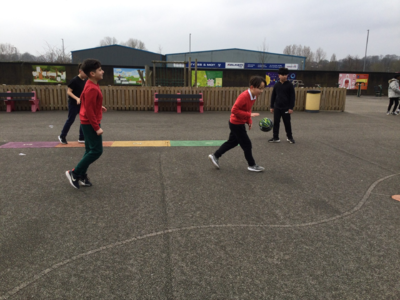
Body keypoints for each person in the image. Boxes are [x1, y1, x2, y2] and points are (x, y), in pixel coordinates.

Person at [208, 76, 266, 172]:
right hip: (236, 124)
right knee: (247, 144)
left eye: (263, 88)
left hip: (239, 123)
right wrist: (249, 115)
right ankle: (252, 165)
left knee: (233, 142)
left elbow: (248, 109)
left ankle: (215, 156)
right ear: (252, 87)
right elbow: (234, 110)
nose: (262, 91)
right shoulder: (244, 96)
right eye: (260, 88)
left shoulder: (254, 96)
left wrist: (249, 120)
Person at [65, 59, 107, 189]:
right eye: (100, 70)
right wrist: (97, 127)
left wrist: (99, 107)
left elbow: (86, 102)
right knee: (96, 151)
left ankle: (82, 175)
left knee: (90, 150)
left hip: (88, 121)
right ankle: (75, 173)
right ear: (92, 73)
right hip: (90, 123)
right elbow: (88, 110)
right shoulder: (91, 88)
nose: (102, 71)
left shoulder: (90, 84)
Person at [58, 64, 87, 144]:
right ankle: (62, 136)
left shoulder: (85, 80)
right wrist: (77, 98)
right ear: (80, 71)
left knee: (83, 120)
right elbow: (69, 92)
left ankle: (81, 137)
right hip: (73, 104)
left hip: (81, 104)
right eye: (85, 73)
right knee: (71, 119)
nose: (87, 75)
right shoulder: (74, 80)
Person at [269, 67, 296, 144]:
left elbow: (292, 97)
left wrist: (291, 107)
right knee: (276, 123)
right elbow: (273, 96)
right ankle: (275, 137)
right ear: (279, 75)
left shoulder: (290, 85)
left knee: (287, 123)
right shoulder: (276, 85)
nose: (284, 76)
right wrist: (272, 106)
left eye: (286, 75)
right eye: (282, 75)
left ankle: (290, 137)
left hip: (286, 108)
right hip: (277, 107)